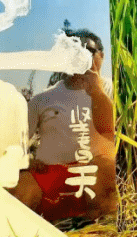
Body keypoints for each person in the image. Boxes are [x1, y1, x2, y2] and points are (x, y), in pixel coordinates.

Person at [9, 29, 118, 223]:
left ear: (101, 56)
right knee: (19, 187)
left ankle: (100, 230)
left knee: (106, 168)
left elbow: (113, 133)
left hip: (96, 176)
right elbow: (15, 143)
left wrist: (96, 92)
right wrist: (26, 160)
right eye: (75, 52)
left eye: (89, 51)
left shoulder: (113, 89)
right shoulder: (42, 99)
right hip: (50, 178)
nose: (82, 57)